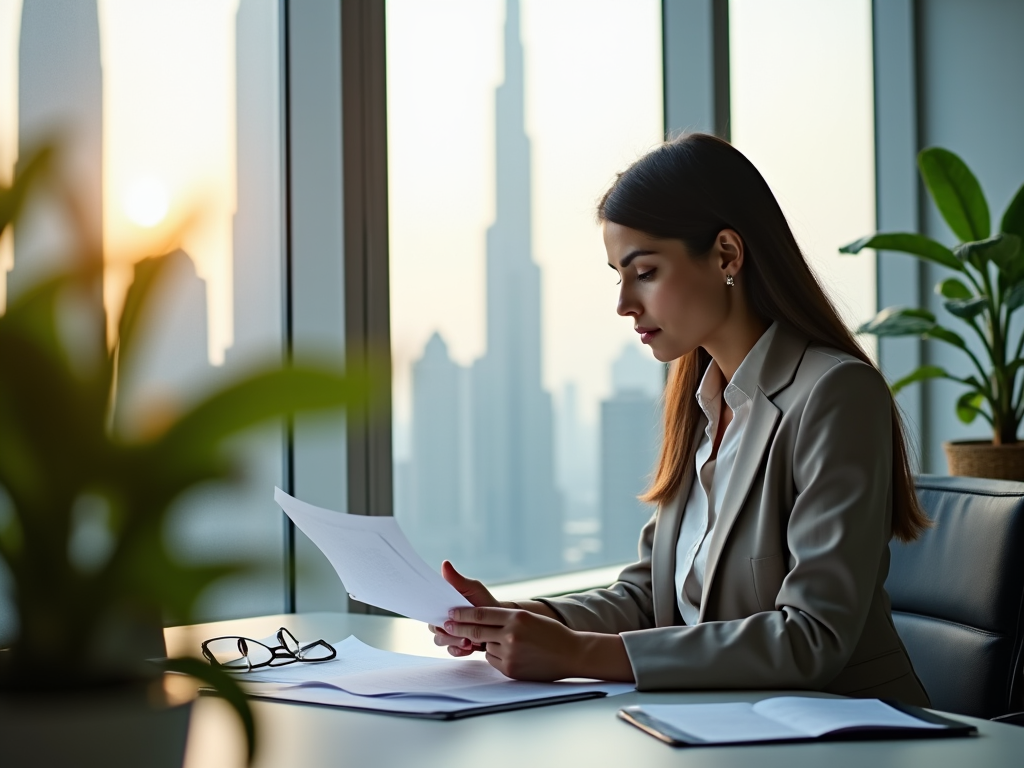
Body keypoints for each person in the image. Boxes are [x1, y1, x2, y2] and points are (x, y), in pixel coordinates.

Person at [429, 133, 931, 705]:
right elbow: (650, 597)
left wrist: (577, 654)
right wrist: (519, 618)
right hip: (721, 726)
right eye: (618, 276)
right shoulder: (699, 398)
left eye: (644, 272)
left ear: (725, 255)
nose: (623, 303)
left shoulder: (834, 393)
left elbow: (812, 638)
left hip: (850, 737)